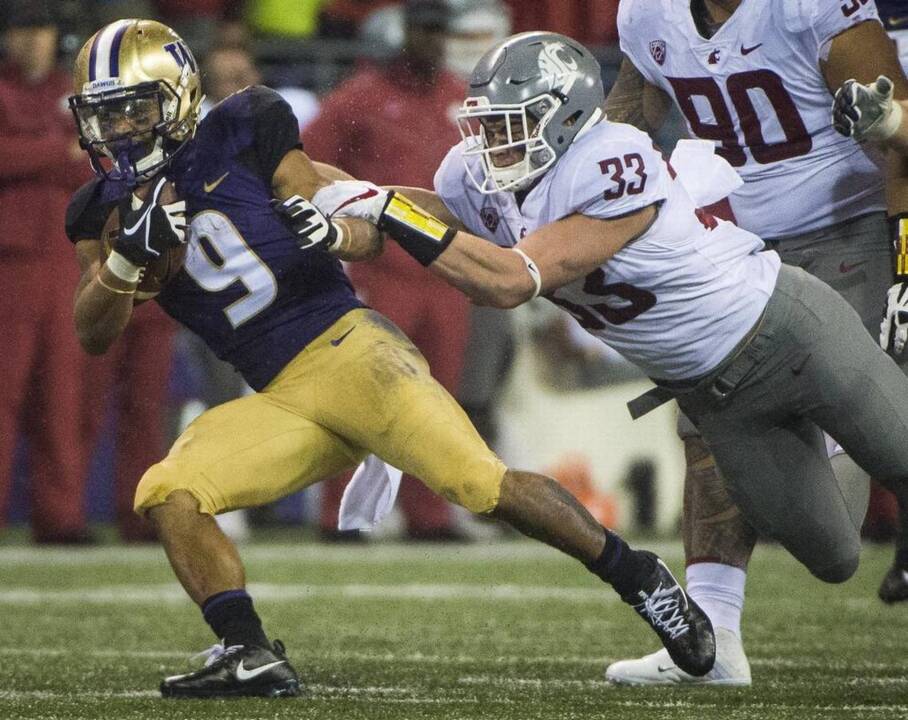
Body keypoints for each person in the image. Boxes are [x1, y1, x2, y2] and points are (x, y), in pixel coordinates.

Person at [64, 19, 715, 698]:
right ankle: (246, 649)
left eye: (133, 108)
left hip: (353, 353)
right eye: (102, 115)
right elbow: (94, 330)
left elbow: (353, 226)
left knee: (481, 486)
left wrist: (332, 232)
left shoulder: (246, 124)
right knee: (169, 491)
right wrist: (123, 258)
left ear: (177, 98)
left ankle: (641, 581)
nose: (118, 130)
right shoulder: (98, 211)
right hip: (279, 396)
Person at [311, 28, 908, 691]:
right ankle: (831, 444)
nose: (493, 144)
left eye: (513, 125)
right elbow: (417, 217)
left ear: (565, 116)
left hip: (790, 330)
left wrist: (391, 209)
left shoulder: (614, 157)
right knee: (833, 558)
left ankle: (848, 429)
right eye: (488, 126)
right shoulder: (477, 174)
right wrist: (326, 198)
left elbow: (509, 280)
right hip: (716, 393)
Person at [580, 0, 908, 684]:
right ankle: (712, 638)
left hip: (843, 235)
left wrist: (890, 133)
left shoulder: (809, 5)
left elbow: (900, 123)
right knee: (703, 417)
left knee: (837, 517)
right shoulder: (648, 13)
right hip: (730, 241)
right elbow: (629, 120)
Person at [303, 0, 477, 541]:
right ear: (403, 33)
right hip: (383, 271)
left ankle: (430, 514)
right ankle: (341, 516)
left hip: (447, 270)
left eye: (439, 31)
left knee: (438, 398)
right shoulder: (362, 96)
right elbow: (304, 166)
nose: (432, 41)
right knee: (364, 391)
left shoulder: (460, 98)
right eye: (423, 30)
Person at [0, 0, 94, 543]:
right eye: (23, 30)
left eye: (42, 29)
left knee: (64, 397)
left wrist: (32, 155)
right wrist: (53, 152)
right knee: (5, 393)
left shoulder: (74, 91)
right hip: (10, 263)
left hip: (66, 261)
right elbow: (69, 156)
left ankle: (61, 517)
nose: (34, 39)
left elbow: (97, 158)